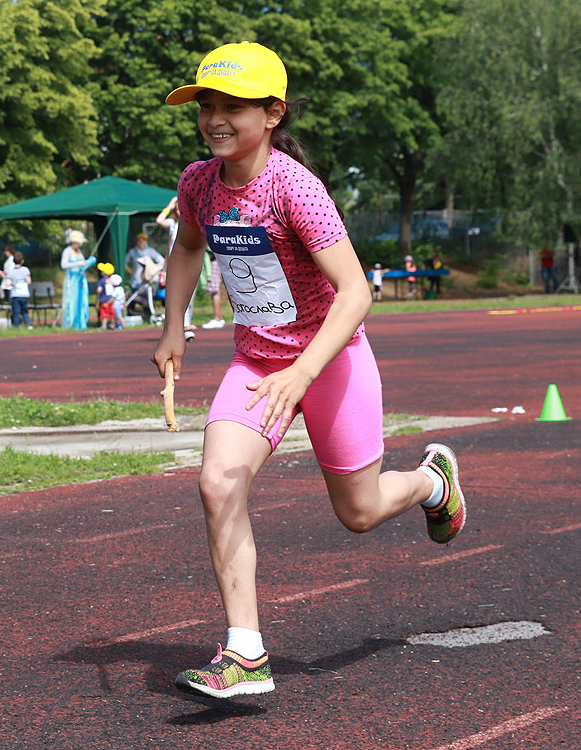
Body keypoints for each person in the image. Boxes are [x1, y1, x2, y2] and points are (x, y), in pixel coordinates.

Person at [152, 41, 466, 700]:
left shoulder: (297, 189)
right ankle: (245, 654)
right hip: (255, 362)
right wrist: (174, 327)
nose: (215, 118)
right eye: (206, 105)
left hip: (331, 359)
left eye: (233, 106)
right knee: (217, 481)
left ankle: (432, 483)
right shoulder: (197, 183)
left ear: (271, 113)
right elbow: (186, 248)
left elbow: (356, 294)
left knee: (358, 511)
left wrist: (302, 374)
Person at [159, 197, 197, 341]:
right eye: (177, 208)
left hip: (190, 264)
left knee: (190, 298)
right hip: (176, 266)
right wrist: (169, 205)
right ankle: (183, 328)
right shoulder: (173, 224)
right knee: (179, 295)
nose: (179, 210)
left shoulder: (193, 223)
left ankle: (184, 325)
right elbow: (159, 221)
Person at [124, 232, 165, 319]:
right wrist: (130, 271)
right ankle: (131, 316)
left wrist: (153, 270)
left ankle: (147, 316)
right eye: (140, 241)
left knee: (147, 298)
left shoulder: (150, 251)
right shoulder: (133, 251)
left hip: (147, 279)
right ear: (137, 242)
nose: (142, 243)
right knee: (132, 297)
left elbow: (161, 260)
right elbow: (125, 262)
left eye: (143, 241)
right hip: (136, 280)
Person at [60, 231, 96, 329]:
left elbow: (83, 265)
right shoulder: (67, 251)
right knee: (71, 300)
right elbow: (64, 265)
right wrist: (78, 263)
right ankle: (70, 323)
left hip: (81, 279)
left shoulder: (79, 252)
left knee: (82, 300)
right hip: (72, 279)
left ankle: (81, 323)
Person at [6, 251, 33, 329]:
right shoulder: (26, 270)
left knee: (16, 311)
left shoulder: (11, 272)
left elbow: (7, 283)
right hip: (24, 294)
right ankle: (28, 325)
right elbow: (29, 281)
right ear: (22, 261)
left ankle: (16, 326)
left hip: (15, 295)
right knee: (25, 311)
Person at [200, 247, 225, 329]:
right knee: (216, 291)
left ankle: (217, 318)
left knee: (215, 292)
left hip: (214, 262)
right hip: (218, 261)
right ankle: (219, 318)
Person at [96, 262, 117, 329]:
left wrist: (98, 297)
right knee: (112, 313)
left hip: (104, 300)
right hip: (112, 299)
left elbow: (99, 290)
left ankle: (104, 325)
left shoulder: (102, 281)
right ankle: (113, 325)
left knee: (104, 313)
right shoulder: (113, 280)